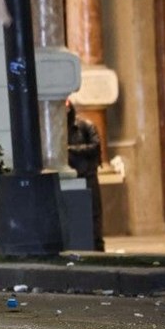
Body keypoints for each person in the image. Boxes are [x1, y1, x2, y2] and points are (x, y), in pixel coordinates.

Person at [67, 101, 105, 251]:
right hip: (73, 175)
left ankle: (98, 245)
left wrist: (71, 149)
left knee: (94, 213)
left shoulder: (85, 125)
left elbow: (95, 146)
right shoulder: (59, 129)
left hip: (87, 174)